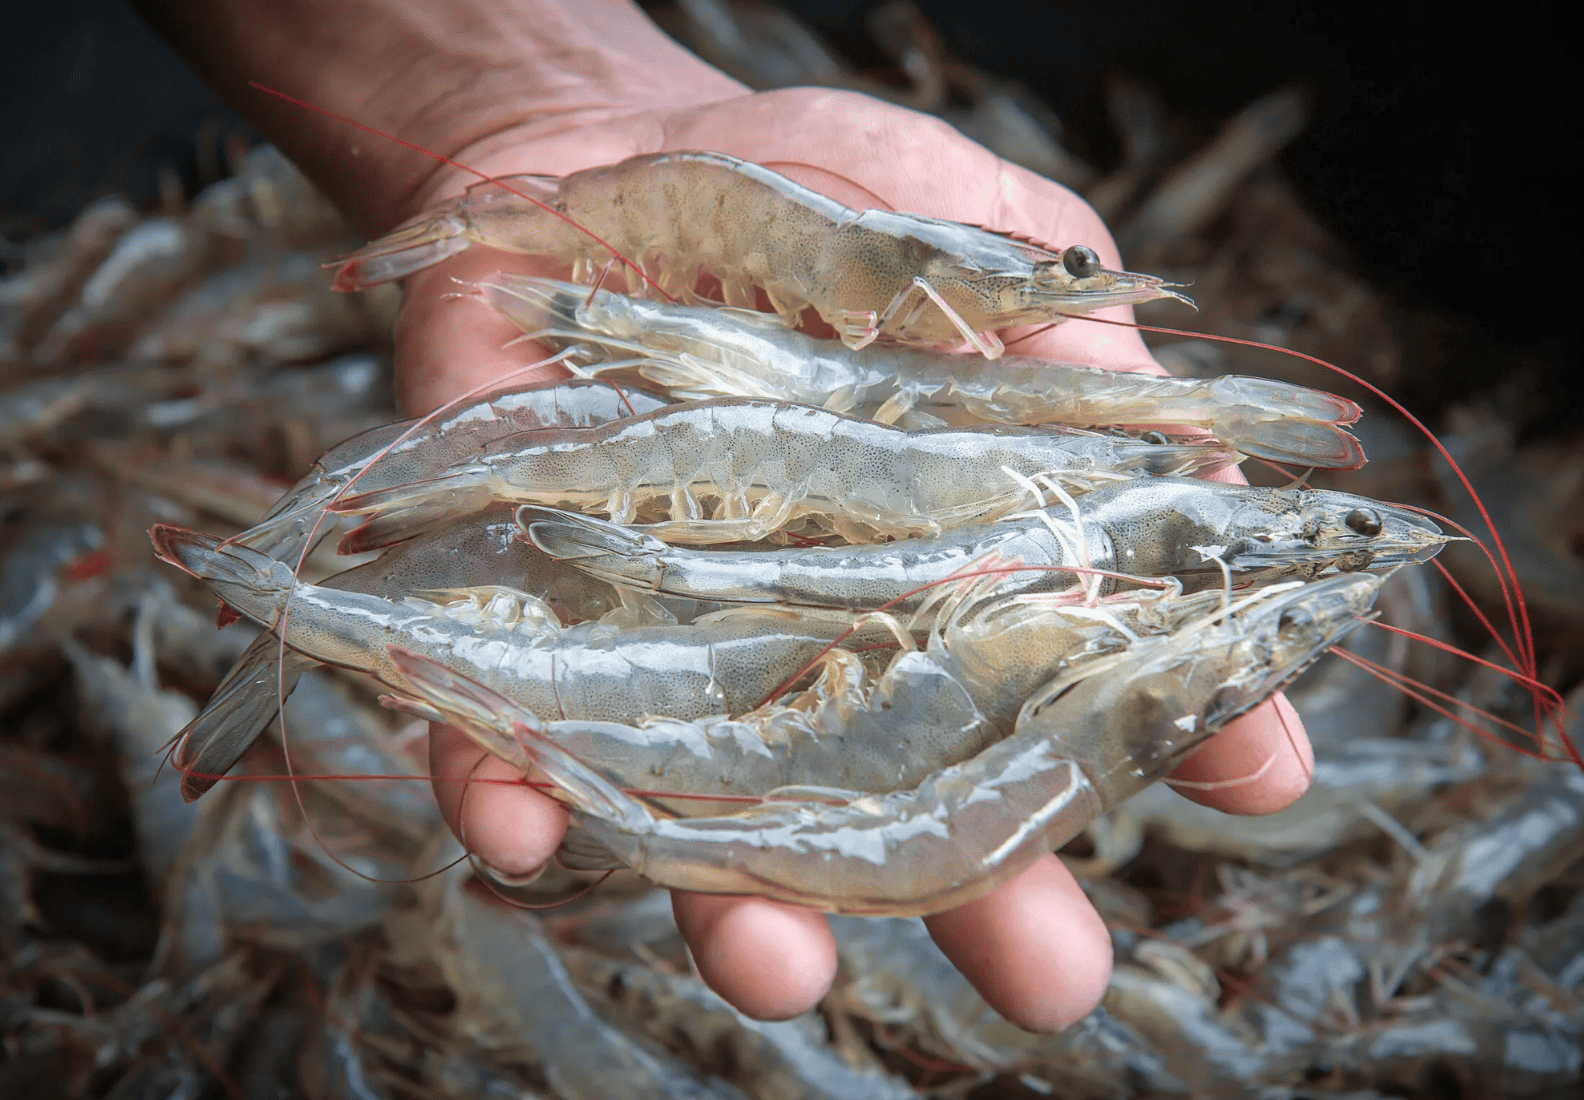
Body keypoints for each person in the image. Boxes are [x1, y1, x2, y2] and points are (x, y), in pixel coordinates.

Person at [135, 0, 1315, 1033]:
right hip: (689, 429)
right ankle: (312, 586)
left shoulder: (942, 421)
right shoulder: (848, 314)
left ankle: (316, 597)